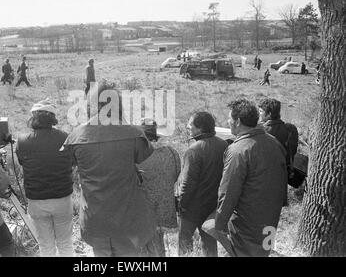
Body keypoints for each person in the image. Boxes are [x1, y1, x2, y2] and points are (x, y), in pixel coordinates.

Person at [62, 83, 156, 257]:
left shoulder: (75, 136)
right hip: (127, 219)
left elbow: (70, 166)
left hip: (95, 218)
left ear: (92, 105)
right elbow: (144, 158)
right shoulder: (134, 134)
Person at [203, 99, 287, 257]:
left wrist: (219, 224)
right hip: (271, 218)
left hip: (246, 224)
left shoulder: (238, 150)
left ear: (237, 122)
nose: (228, 122)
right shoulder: (275, 143)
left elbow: (228, 191)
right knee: (263, 252)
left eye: (230, 119)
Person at [16, 100, 74, 257]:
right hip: (62, 198)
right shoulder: (66, 137)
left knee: (45, 245)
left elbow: (21, 162)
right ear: (53, 118)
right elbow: (72, 163)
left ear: (33, 117)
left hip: (37, 201)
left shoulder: (22, 140)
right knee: (65, 244)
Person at [175, 112, 228, 257]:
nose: (188, 127)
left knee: (184, 242)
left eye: (190, 124)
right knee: (210, 243)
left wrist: (181, 204)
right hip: (213, 206)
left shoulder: (194, 150)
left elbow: (187, 183)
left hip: (192, 207)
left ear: (200, 128)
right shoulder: (224, 145)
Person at [137, 118, 181, 257]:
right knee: (158, 247)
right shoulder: (170, 153)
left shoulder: (135, 156)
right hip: (163, 208)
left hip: (141, 211)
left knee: (142, 249)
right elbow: (176, 175)